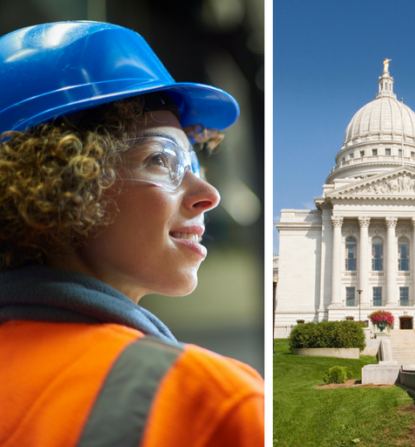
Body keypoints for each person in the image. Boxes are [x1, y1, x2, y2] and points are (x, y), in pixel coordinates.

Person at [0, 22, 264, 446]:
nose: (208, 194)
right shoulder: (213, 402)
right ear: (60, 179)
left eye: (194, 164)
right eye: (161, 159)